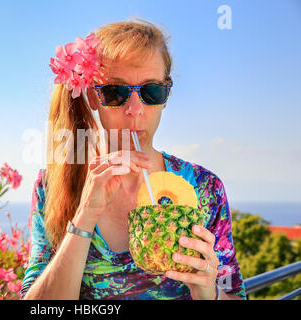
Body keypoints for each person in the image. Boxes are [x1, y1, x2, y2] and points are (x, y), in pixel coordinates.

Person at [21, 19, 246, 300]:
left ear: (166, 96)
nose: (135, 110)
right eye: (115, 92)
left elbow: (234, 295)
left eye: (152, 91)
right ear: (93, 96)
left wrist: (209, 292)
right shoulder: (52, 186)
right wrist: (85, 215)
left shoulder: (205, 188)